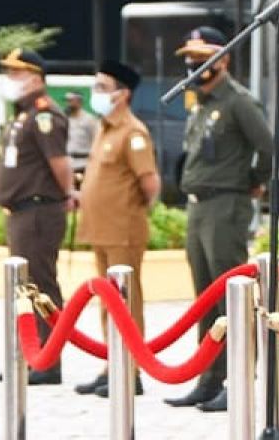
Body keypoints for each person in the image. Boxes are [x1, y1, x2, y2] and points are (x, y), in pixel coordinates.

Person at [163, 27, 273, 412]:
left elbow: (267, 147)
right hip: (198, 207)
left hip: (226, 206)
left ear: (222, 59)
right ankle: (209, 377)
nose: (192, 64)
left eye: (201, 56)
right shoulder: (202, 102)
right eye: (189, 57)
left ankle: (240, 376)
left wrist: (254, 184)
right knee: (206, 298)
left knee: (232, 297)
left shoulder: (237, 101)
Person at [72, 61, 160, 398]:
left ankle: (131, 369)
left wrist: (130, 210)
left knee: (126, 302)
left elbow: (149, 183)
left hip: (123, 230)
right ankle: (112, 364)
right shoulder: (104, 127)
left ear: (122, 94)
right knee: (107, 302)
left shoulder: (132, 132)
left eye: (102, 88)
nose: (96, 94)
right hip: (101, 230)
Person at [0, 48, 73, 385]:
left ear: (36, 78)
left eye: (17, 73)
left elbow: (59, 163)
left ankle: (48, 362)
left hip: (38, 210)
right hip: (22, 212)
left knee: (40, 287)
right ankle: (29, 356)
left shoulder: (44, 115)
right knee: (25, 289)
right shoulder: (23, 113)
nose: (10, 79)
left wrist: (66, 195)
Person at [64, 91, 98, 181]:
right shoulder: (65, 119)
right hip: (68, 164)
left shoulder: (89, 120)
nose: (68, 103)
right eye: (67, 101)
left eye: (71, 101)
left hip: (84, 163)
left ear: (79, 102)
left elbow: (97, 140)